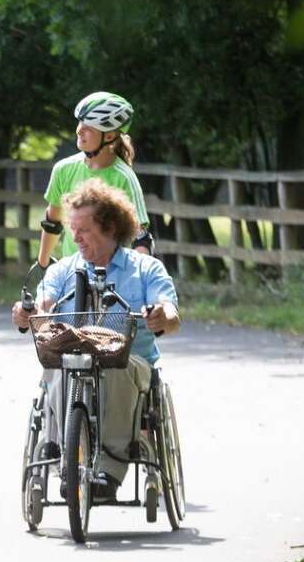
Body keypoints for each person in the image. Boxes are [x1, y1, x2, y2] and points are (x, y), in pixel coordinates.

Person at [11, 178, 181, 502]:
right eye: (72, 229)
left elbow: (171, 311)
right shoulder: (63, 271)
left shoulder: (145, 268)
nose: (74, 237)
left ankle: (110, 469)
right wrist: (27, 312)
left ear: (110, 227)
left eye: (83, 230)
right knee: (58, 365)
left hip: (130, 362)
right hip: (74, 357)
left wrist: (163, 316)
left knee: (114, 364)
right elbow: (42, 302)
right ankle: (67, 461)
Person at [36, 91, 154, 268]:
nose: (79, 130)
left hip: (112, 275)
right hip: (72, 272)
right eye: (80, 123)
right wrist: (42, 264)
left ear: (108, 136)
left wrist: (142, 277)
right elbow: (52, 222)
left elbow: (140, 239)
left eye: (89, 127)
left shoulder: (124, 178)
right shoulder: (63, 169)